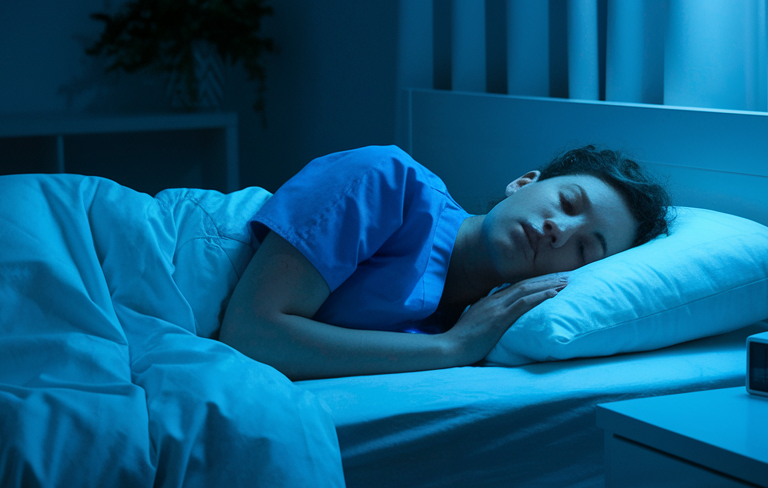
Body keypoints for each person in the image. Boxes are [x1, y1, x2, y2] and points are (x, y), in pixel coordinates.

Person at [219, 144, 669, 380]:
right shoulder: (386, 179)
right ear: (523, 182)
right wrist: (452, 348)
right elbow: (251, 331)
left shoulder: (487, 320)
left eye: (585, 249)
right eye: (568, 202)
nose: (560, 231)